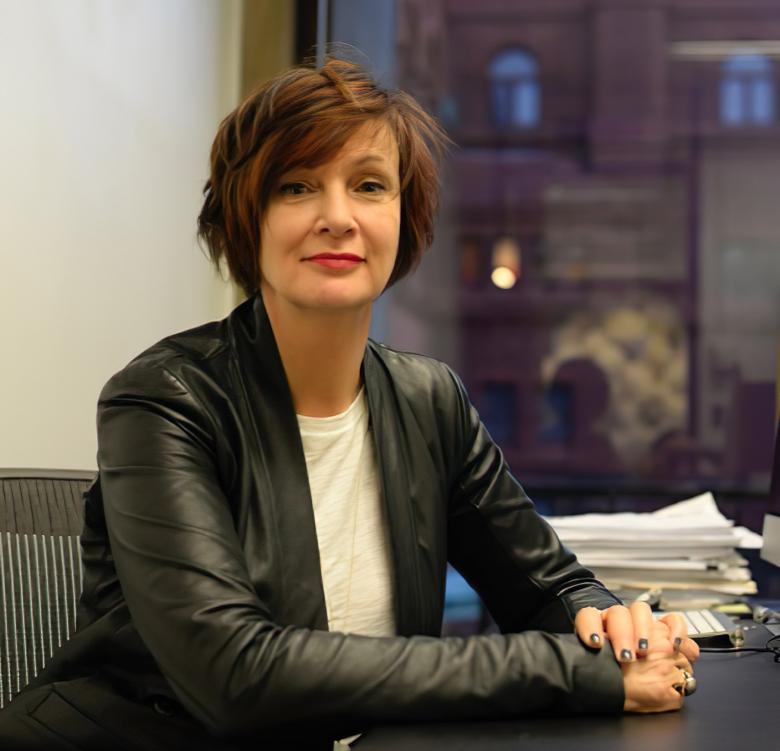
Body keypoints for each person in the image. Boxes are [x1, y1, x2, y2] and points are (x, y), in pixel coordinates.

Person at [0, 57, 698, 751]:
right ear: (247, 218)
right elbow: (234, 675)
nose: (337, 218)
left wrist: (616, 631)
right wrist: (571, 672)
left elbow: (548, 587)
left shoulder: (429, 401)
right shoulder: (164, 399)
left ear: (404, 216)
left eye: (368, 185)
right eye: (296, 186)